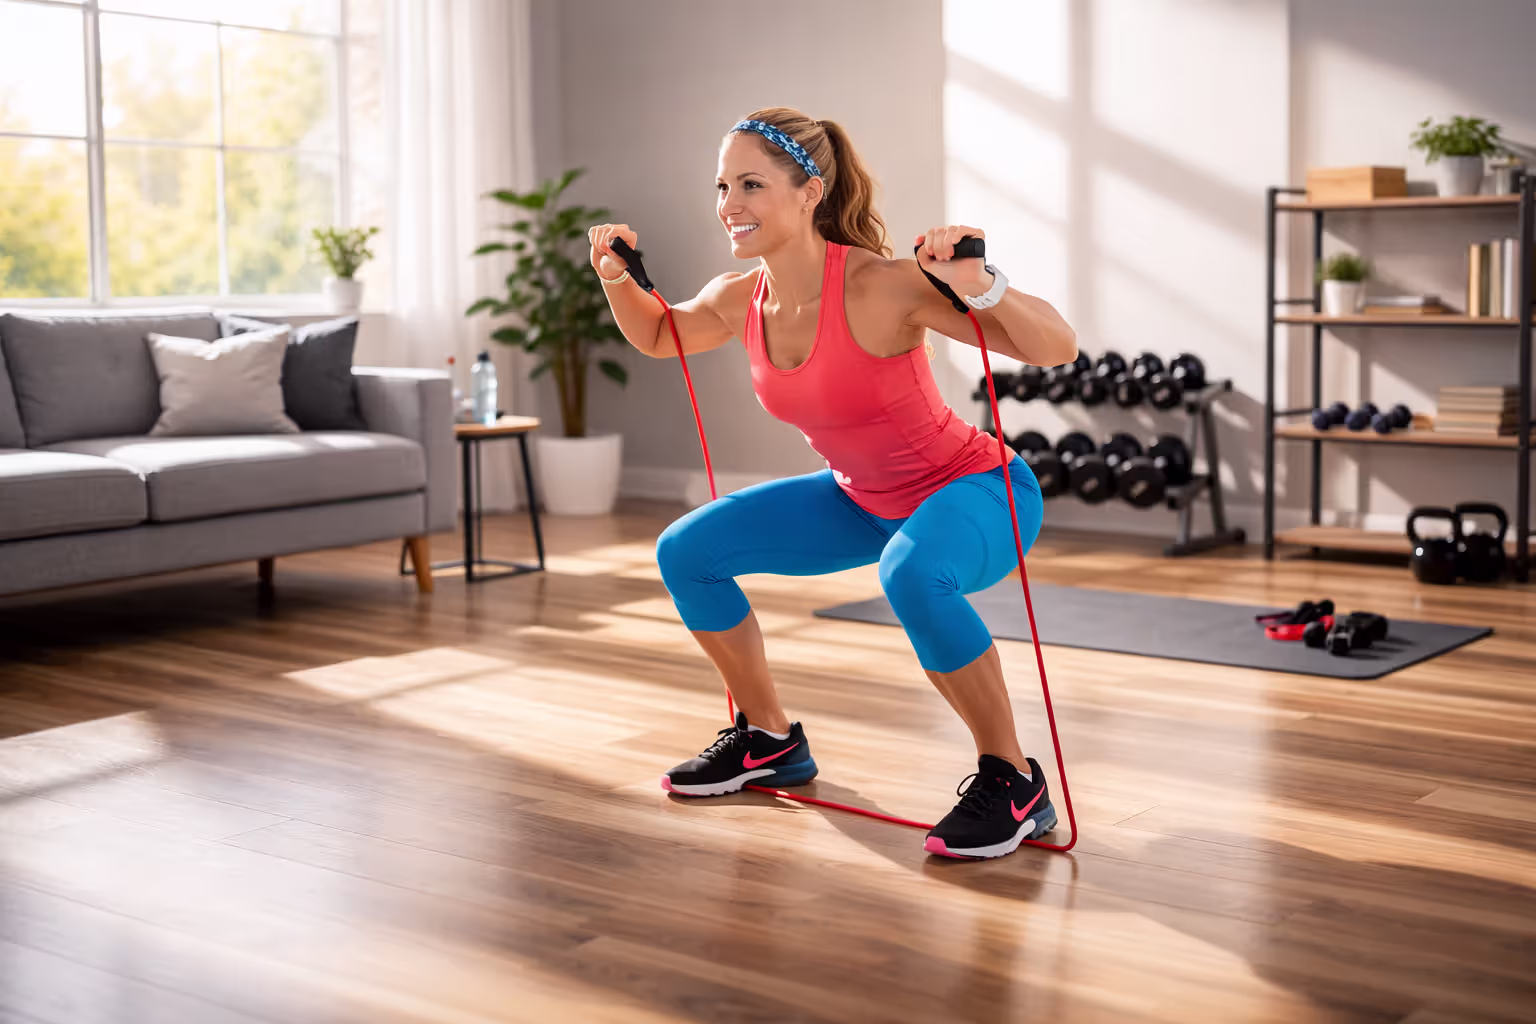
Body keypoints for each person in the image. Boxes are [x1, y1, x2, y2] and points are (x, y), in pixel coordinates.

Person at [588, 107, 1076, 860]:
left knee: (912, 572)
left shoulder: (884, 285)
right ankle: (769, 739)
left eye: (751, 183)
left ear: (810, 191)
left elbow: (1055, 347)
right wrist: (618, 276)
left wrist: (979, 284)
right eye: (723, 185)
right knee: (688, 550)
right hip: (859, 499)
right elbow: (659, 333)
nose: (729, 204)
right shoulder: (738, 296)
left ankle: (1013, 779)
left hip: (979, 489)